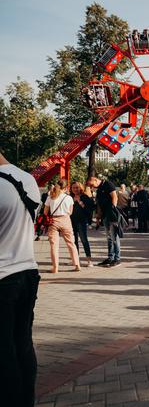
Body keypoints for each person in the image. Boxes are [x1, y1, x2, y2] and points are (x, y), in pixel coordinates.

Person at [0, 151, 41, 406]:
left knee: (3, 351)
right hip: (27, 270)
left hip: (2, 277)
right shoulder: (28, 179)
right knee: (23, 343)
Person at [44, 182, 81, 273]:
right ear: (66, 187)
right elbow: (70, 212)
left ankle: (55, 267)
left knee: (54, 245)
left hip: (53, 221)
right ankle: (77, 265)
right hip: (65, 220)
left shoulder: (51, 196)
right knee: (71, 243)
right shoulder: (69, 198)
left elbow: (45, 212)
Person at [87, 176, 121, 267]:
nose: (91, 187)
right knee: (109, 237)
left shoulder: (108, 184)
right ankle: (110, 257)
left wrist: (113, 211)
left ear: (95, 179)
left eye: (92, 184)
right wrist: (98, 217)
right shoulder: (99, 189)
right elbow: (99, 204)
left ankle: (117, 258)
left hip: (111, 214)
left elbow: (114, 197)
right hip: (105, 215)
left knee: (114, 236)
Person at [70, 181, 94, 267]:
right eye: (73, 188)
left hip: (81, 222)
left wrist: (80, 202)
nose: (75, 189)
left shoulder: (85, 197)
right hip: (72, 222)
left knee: (84, 240)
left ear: (81, 188)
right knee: (74, 241)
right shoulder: (70, 197)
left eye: (77, 187)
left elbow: (89, 210)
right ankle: (76, 260)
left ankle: (89, 260)